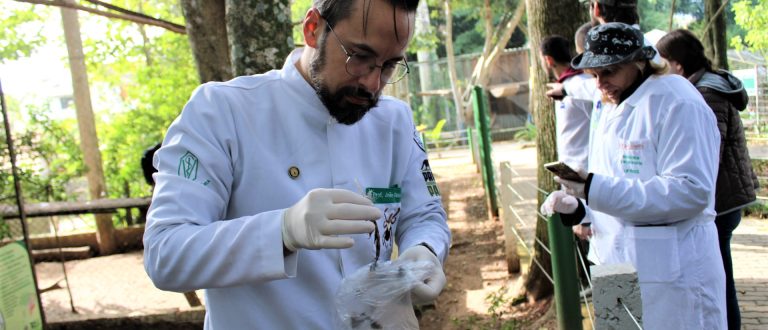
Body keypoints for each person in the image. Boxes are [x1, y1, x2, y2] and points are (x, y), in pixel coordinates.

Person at [142, 0, 451, 328]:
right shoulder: (221, 113)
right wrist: (283, 230)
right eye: (360, 58)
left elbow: (425, 214)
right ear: (312, 29)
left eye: (388, 65)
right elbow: (166, 253)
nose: (373, 84)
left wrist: (425, 249)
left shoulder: (394, 121)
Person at [540, 22, 726, 329]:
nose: (600, 84)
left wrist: (593, 188)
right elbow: (615, 181)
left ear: (639, 62)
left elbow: (690, 192)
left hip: (670, 274)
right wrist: (581, 210)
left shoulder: (677, 102)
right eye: (594, 75)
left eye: (608, 73)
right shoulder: (612, 103)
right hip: (614, 265)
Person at [657, 29, 757, 330]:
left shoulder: (704, 94)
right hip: (723, 198)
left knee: (719, 280)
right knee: (719, 275)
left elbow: (707, 154)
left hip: (719, 201)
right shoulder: (706, 86)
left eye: (662, 64)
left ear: (677, 64)